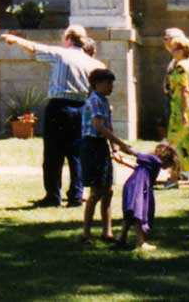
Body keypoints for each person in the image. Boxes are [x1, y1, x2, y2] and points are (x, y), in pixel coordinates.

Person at [2, 25, 101, 207]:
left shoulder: (61, 54)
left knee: (53, 154)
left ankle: (53, 196)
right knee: (76, 155)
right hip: (81, 108)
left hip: (59, 107)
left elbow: (34, 47)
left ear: (68, 39)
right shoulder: (94, 64)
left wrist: (15, 40)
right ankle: (76, 196)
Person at [78, 68, 135, 246]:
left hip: (101, 146)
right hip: (91, 146)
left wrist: (115, 148)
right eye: (108, 83)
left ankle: (107, 231)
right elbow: (99, 127)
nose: (111, 87)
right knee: (95, 192)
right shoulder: (94, 101)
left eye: (112, 83)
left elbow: (108, 127)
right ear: (97, 84)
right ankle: (86, 233)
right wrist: (123, 144)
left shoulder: (104, 101)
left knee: (108, 191)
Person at [118, 144, 176, 252]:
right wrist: (122, 147)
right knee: (138, 214)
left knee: (129, 214)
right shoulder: (154, 160)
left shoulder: (151, 163)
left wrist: (122, 161)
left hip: (133, 186)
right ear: (165, 158)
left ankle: (122, 238)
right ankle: (140, 242)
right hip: (138, 188)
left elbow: (138, 167)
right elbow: (134, 153)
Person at [161, 33, 189, 185]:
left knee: (174, 144)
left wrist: (183, 112)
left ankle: (173, 178)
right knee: (188, 144)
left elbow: (184, 90)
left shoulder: (181, 67)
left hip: (182, 109)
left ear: (182, 50)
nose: (172, 51)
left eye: (175, 48)